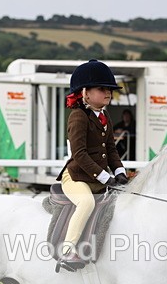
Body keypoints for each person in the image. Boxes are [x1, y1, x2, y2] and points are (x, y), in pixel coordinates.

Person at [55, 60, 128, 271]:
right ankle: (67, 251)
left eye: (109, 89)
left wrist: (120, 172)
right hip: (76, 177)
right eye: (102, 89)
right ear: (85, 93)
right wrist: (106, 177)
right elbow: (79, 154)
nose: (108, 93)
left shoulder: (104, 116)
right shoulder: (78, 116)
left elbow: (111, 149)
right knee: (86, 203)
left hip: (96, 178)